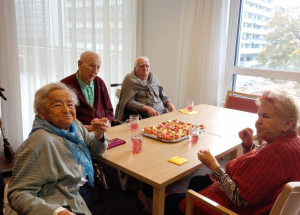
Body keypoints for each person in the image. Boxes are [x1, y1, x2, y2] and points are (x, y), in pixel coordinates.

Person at [8, 82, 144, 215]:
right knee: (128, 209)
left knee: (132, 200)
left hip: (85, 190)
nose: (66, 110)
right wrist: (56, 212)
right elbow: (18, 194)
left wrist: (99, 135)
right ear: (41, 112)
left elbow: (96, 149)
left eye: (70, 104)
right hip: (65, 200)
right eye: (57, 105)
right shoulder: (37, 143)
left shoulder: (74, 126)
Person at [165, 89, 300, 215]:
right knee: (197, 181)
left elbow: (239, 199)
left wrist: (214, 166)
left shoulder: (276, 153)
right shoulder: (291, 142)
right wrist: (248, 147)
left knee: (171, 201)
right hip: (254, 199)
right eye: (259, 115)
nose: (258, 121)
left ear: (287, 123)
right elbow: (260, 169)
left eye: (266, 116)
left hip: (236, 208)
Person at [61, 51, 114, 132]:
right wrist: (86, 128)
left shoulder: (100, 83)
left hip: (103, 132)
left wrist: (107, 121)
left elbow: (109, 110)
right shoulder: (65, 85)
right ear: (80, 64)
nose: (95, 71)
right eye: (92, 66)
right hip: (78, 135)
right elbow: (61, 118)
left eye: (98, 67)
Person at [115, 56, 175, 122]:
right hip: (144, 117)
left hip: (163, 113)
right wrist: (146, 108)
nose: (145, 68)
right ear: (135, 69)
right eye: (142, 66)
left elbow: (163, 96)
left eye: (147, 66)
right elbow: (127, 102)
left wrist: (169, 103)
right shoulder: (129, 79)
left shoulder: (154, 78)